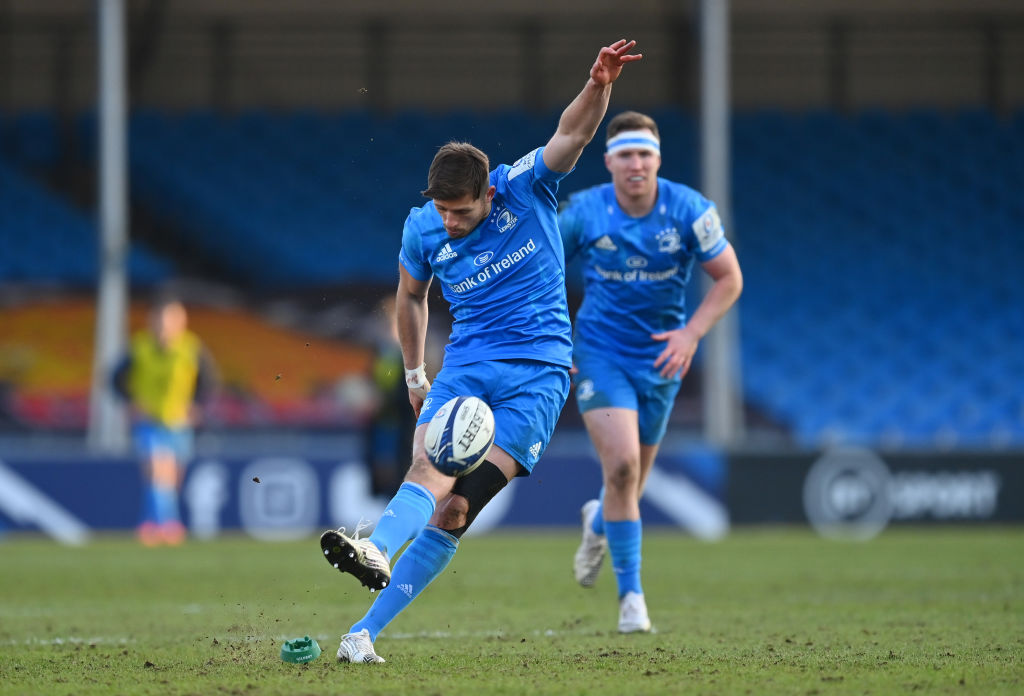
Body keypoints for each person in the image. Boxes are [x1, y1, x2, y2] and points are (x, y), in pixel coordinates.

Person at [318, 39, 642, 664]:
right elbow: (410, 298)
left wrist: (598, 84)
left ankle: (362, 633)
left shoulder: (525, 188)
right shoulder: (422, 228)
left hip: (539, 378)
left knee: (458, 508)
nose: (449, 221)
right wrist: (415, 373)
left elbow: (571, 135)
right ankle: (377, 550)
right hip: (467, 365)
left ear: (488, 194)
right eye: (441, 209)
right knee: (428, 468)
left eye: (460, 211)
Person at [559, 110, 743, 632]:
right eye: (625, 155)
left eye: (644, 154)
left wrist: (691, 334)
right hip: (599, 352)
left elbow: (728, 279)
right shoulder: (584, 212)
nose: (635, 164)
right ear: (608, 161)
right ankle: (632, 600)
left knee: (629, 485)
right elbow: (543, 270)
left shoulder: (689, 209)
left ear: (657, 160)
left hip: (661, 358)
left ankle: (598, 520)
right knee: (621, 469)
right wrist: (555, 337)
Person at [112, 296, 218, 546]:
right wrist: (131, 402)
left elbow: (209, 382)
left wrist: (195, 407)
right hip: (149, 421)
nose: (165, 326)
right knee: (159, 472)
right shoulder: (139, 347)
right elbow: (116, 379)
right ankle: (169, 526)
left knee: (169, 480)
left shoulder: (191, 348)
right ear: (152, 322)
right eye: (161, 320)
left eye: (171, 320)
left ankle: (149, 524)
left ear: (182, 322)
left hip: (179, 424)